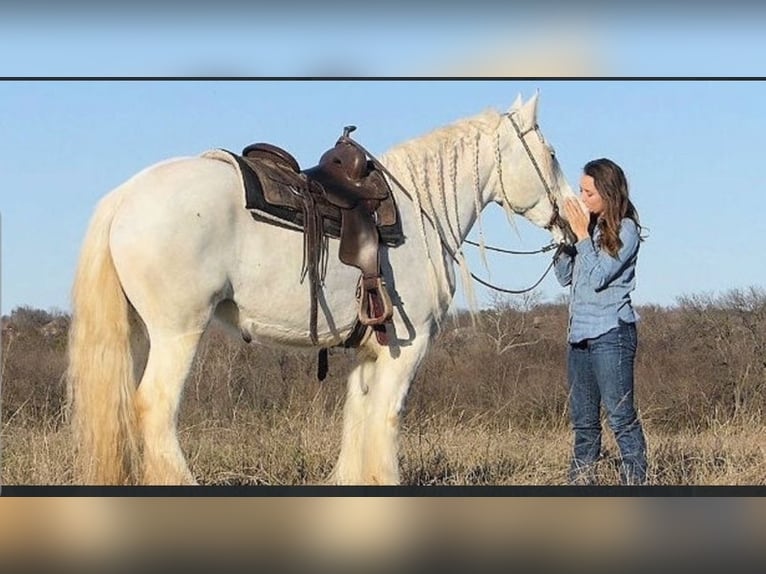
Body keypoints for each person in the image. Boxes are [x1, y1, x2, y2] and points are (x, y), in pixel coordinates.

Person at [554, 157, 648, 485]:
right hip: (578, 336)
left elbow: (597, 277)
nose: (582, 199)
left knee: (621, 418)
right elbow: (564, 277)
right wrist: (566, 238)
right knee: (584, 425)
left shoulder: (627, 229)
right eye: (581, 191)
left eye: (589, 193)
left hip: (611, 333)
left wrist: (581, 236)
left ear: (608, 193)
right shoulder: (586, 231)